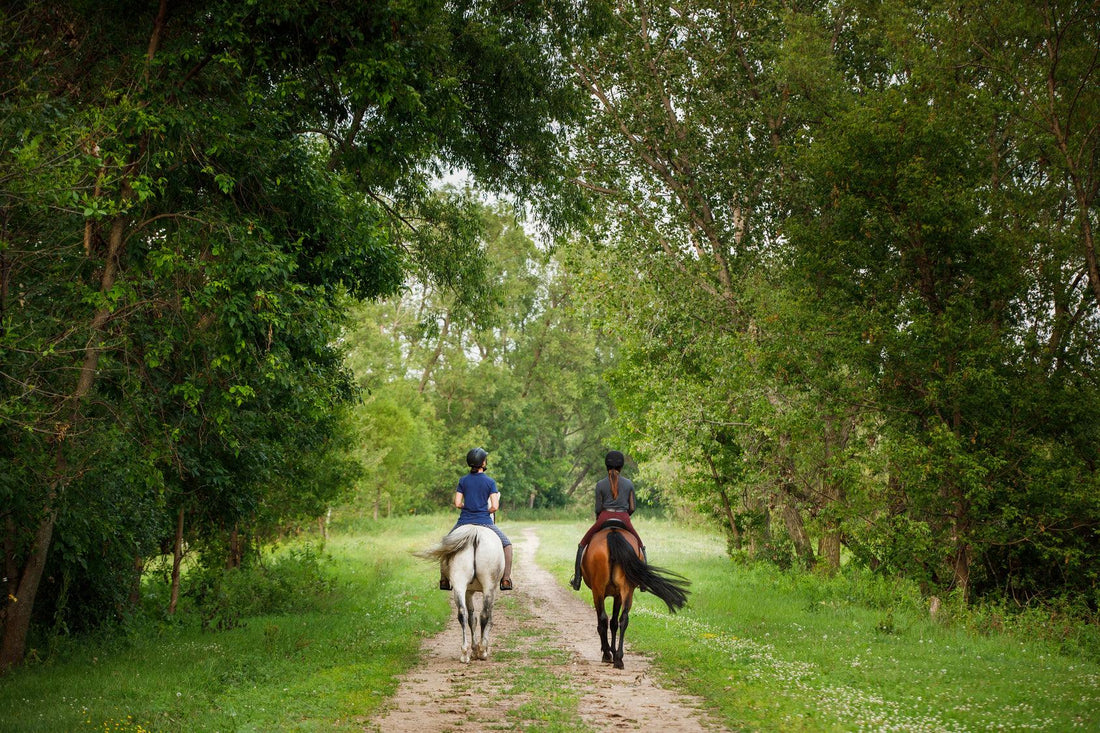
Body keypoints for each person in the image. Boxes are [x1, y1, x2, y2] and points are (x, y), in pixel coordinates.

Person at [439, 447, 514, 591]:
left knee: (445, 545)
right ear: (483, 463)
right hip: (485, 521)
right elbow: (495, 506)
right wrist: (484, 510)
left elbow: (457, 503)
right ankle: (505, 579)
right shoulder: (490, 482)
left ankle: (444, 580)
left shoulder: (463, 480)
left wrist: (466, 507)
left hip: (464, 521)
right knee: (507, 545)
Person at [570, 450, 645, 591]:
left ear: (606, 466)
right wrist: (624, 515)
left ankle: (577, 579)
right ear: (621, 467)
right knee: (640, 546)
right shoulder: (629, 484)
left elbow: (598, 508)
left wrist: (601, 517)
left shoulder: (600, 484)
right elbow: (633, 507)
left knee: (581, 545)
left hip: (604, 517)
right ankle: (643, 582)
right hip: (624, 517)